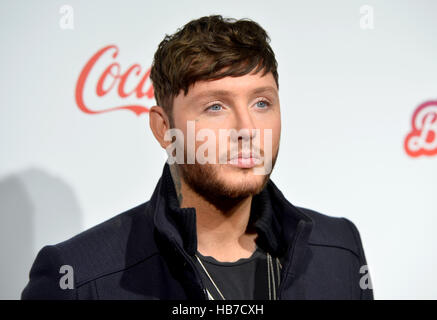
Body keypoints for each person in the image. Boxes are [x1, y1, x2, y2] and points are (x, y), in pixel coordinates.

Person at [22, 15, 373, 300]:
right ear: (163, 129)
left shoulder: (339, 248)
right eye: (215, 106)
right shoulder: (78, 277)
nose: (247, 128)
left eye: (261, 103)